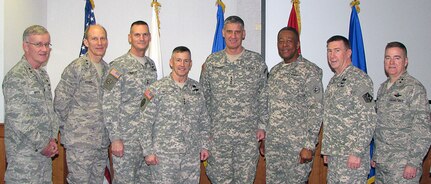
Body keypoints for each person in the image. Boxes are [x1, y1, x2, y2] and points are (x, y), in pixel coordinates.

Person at [200, 15, 268, 183]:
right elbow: (203, 99)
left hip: (247, 136)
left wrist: (262, 125)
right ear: (223, 33)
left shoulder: (256, 62)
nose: (233, 36)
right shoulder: (212, 62)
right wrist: (204, 133)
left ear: (243, 34)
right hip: (218, 137)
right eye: (229, 31)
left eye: (237, 32)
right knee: (219, 179)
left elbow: (264, 96)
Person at [141, 46, 210, 183]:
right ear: (171, 62)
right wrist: (148, 152)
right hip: (164, 158)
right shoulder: (156, 89)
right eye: (178, 60)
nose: (182, 65)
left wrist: (204, 146)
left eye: (186, 61)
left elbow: (204, 120)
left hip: (190, 158)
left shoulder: (197, 89)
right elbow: (145, 122)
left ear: (190, 64)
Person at [264, 27, 323, 183]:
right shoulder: (275, 72)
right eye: (281, 41)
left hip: (297, 149)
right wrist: (265, 139)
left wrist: (309, 145)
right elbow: (269, 108)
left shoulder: (310, 71)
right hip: (274, 147)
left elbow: (316, 110)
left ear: (297, 45)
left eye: (289, 41)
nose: (284, 45)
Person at [2, 25, 59, 183]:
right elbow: (19, 119)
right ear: (25, 46)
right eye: (38, 44)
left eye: (47, 44)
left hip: (43, 157)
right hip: (24, 159)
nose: (44, 49)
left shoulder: (42, 74)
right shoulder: (16, 76)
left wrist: (52, 138)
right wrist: (43, 144)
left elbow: (49, 111)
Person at [103, 20, 157, 183]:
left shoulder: (151, 65)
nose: (141, 38)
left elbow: (150, 101)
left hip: (147, 140)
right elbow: (108, 103)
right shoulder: (116, 66)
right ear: (130, 38)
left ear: (149, 37)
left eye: (145, 34)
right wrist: (115, 138)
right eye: (137, 35)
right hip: (126, 140)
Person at [54, 24, 109, 184]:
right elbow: (60, 102)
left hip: (101, 141)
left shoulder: (108, 70)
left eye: (102, 38)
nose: (99, 43)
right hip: (80, 141)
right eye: (94, 38)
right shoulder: (76, 68)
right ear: (86, 42)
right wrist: (71, 130)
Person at [372, 41, 431, 183]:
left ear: (406, 61)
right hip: (382, 164)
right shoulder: (383, 88)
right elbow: (379, 126)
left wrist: (413, 162)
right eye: (387, 58)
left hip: (402, 166)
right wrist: (376, 156)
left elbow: (422, 130)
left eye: (397, 58)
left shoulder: (414, 88)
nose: (391, 62)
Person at [321, 35, 376, 183]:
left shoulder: (359, 79)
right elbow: (330, 118)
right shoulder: (333, 81)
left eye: (337, 50)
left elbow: (368, 119)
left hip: (351, 157)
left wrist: (357, 152)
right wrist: (327, 149)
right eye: (329, 51)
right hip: (335, 156)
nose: (332, 55)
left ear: (348, 53)